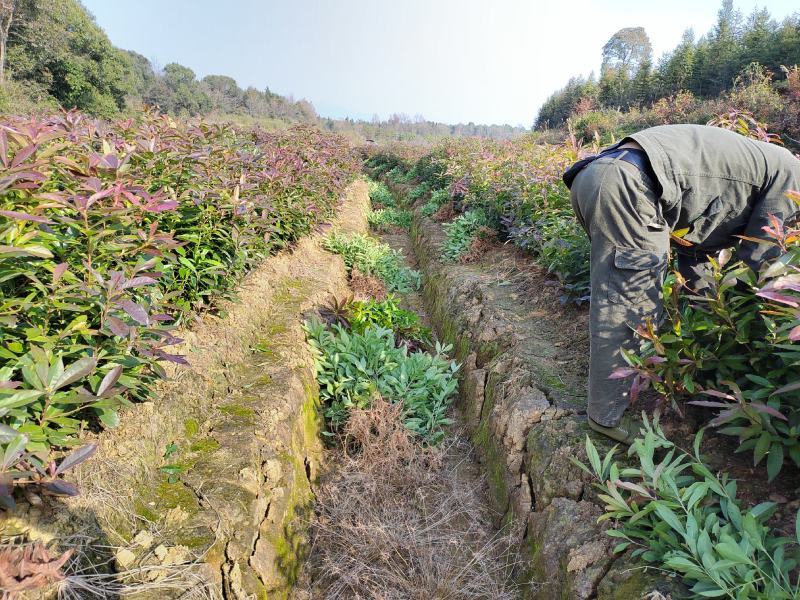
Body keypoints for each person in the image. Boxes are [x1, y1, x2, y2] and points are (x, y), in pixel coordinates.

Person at [563, 124, 800, 444]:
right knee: (631, 304)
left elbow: (697, 251)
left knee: (625, 295)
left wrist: (707, 334)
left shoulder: (771, 164)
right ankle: (605, 416)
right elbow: (759, 269)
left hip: (597, 176)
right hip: (630, 186)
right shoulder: (793, 180)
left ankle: (625, 388)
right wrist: (755, 342)